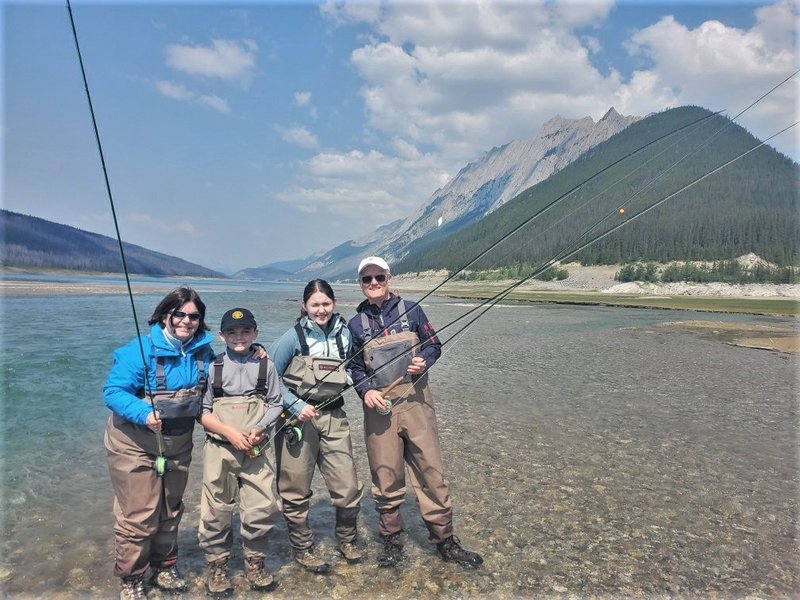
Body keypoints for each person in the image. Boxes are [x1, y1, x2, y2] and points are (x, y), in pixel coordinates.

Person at [347, 257, 484, 569]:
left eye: (378, 277)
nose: (373, 283)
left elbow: (434, 345)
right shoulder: (355, 325)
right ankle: (392, 542)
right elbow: (354, 368)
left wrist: (424, 360)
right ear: (360, 284)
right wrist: (365, 390)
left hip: (417, 403)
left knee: (431, 473)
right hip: (380, 409)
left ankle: (445, 542)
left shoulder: (413, 310)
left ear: (389, 278)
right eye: (366, 279)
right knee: (385, 475)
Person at [103, 287, 216, 599]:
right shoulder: (139, 350)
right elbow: (113, 391)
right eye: (179, 314)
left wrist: (256, 351)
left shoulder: (204, 353)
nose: (186, 321)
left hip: (178, 444)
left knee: (170, 508)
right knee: (138, 514)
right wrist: (142, 411)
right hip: (133, 443)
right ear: (165, 314)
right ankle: (131, 578)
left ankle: (165, 566)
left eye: (194, 316)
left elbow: (228, 372)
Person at [268, 279, 364, 573]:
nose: (321, 310)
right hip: (296, 420)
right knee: (295, 489)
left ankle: (347, 540)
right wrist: (296, 405)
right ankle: (303, 548)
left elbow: (354, 367)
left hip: (334, 416)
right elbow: (270, 381)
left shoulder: (345, 334)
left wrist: (350, 379)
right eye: (314, 305)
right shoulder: (290, 339)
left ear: (334, 303)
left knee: (348, 487)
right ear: (304, 307)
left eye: (325, 303)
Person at [198, 308, 283, 594]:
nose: (239, 337)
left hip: (257, 449)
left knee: (262, 506)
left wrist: (259, 428)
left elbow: (276, 404)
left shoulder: (266, 365)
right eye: (232, 332)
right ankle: (217, 566)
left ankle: (255, 562)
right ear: (221, 336)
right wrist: (231, 434)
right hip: (220, 448)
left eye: (246, 331)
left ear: (255, 334)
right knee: (215, 510)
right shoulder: (213, 366)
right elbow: (204, 410)